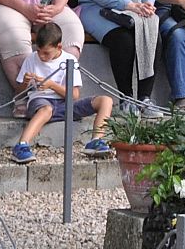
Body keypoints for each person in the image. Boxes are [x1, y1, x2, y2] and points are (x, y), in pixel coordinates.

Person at [11, 21, 113, 164]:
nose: (41, 56)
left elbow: (75, 95)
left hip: (65, 103)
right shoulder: (31, 59)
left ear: (59, 46)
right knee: (46, 109)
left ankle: (96, 141)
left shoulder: (69, 60)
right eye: (38, 51)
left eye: (46, 53)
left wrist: (52, 85)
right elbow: (19, 92)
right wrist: (25, 83)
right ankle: (21, 146)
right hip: (41, 102)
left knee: (106, 100)